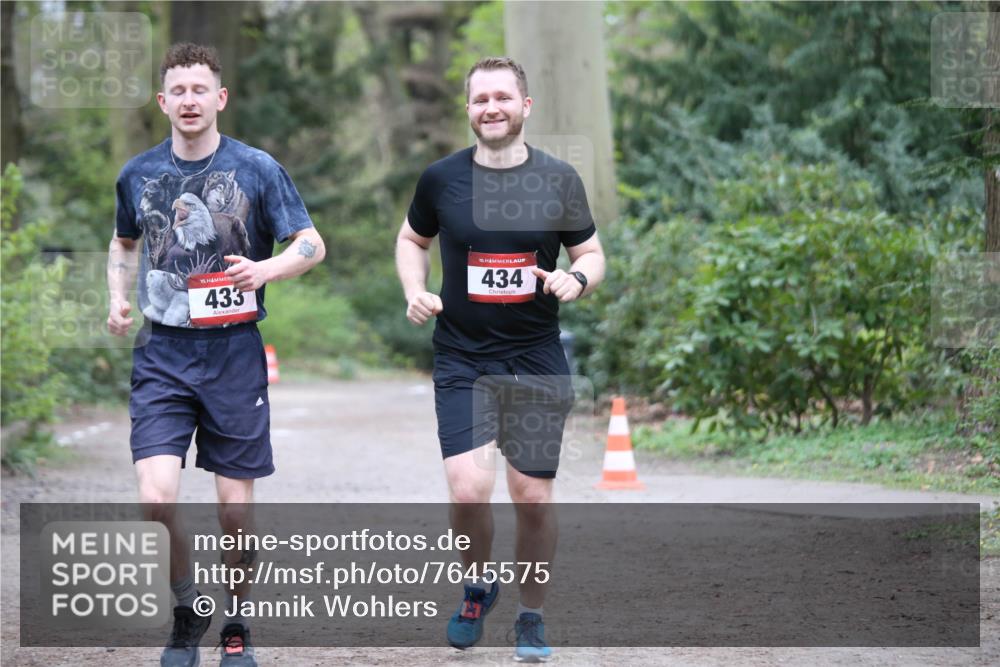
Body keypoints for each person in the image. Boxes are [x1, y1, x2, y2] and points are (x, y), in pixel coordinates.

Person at [107, 43, 325, 667]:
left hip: (233, 352)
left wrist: (269, 269)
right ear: (163, 101)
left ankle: (236, 622)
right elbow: (123, 242)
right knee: (156, 498)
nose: (189, 100)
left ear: (219, 98)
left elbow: (311, 244)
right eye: (177, 91)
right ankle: (188, 611)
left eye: (200, 89)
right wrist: (118, 300)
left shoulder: (256, 169)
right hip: (162, 352)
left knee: (234, 508)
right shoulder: (138, 173)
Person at [395, 56, 605, 662]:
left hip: (536, 355)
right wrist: (416, 289)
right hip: (463, 355)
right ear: (468, 109)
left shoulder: (559, 179)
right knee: (467, 490)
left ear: (525, 107)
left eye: (503, 98)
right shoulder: (441, 179)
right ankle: (478, 585)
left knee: (532, 496)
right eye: (480, 98)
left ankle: (531, 615)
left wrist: (578, 279)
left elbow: (590, 252)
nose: (491, 108)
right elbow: (413, 239)